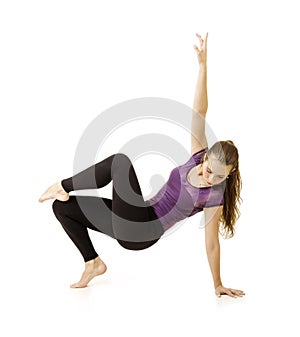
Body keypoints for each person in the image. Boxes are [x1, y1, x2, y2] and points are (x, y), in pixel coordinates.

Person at [39, 32, 245, 298]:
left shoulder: (214, 196)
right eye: (208, 169)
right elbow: (200, 111)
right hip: (136, 212)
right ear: (204, 157)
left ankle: (61, 184)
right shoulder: (197, 155)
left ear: (230, 174)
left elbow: (212, 244)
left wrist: (218, 284)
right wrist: (203, 67)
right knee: (63, 208)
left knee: (119, 163)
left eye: (218, 177)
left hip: (143, 231)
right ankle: (92, 263)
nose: (209, 177)